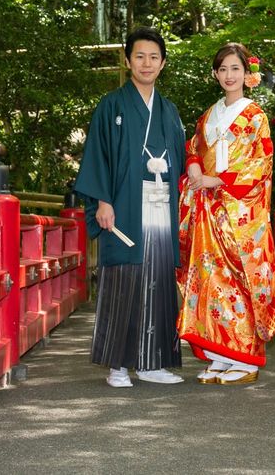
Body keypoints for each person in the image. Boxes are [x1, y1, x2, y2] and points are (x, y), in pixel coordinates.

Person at [73, 27, 186, 387]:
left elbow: (184, 160)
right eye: (140, 56)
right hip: (124, 205)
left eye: (154, 57)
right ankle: (118, 366)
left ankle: (152, 362)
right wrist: (103, 201)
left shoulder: (169, 111)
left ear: (163, 63)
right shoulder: (112, 106)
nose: (146, 63)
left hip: (161, 204)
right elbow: (98, 154)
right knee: (124, 279)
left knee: (158, 279)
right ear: (127, 61)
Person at [176, 42, 275, 385]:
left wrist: (218, 180)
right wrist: (194, 168)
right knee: (210, 279)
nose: (229, 75)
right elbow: (194, 147)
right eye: (222, 69)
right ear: (215, 74)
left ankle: (246, 357)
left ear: (247, 73)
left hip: (239, 214)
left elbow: (260, 164)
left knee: (240, 278)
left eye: (235, 69)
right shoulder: (208, 115)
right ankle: (220, 354)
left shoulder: (255, 116)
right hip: (207, 210)